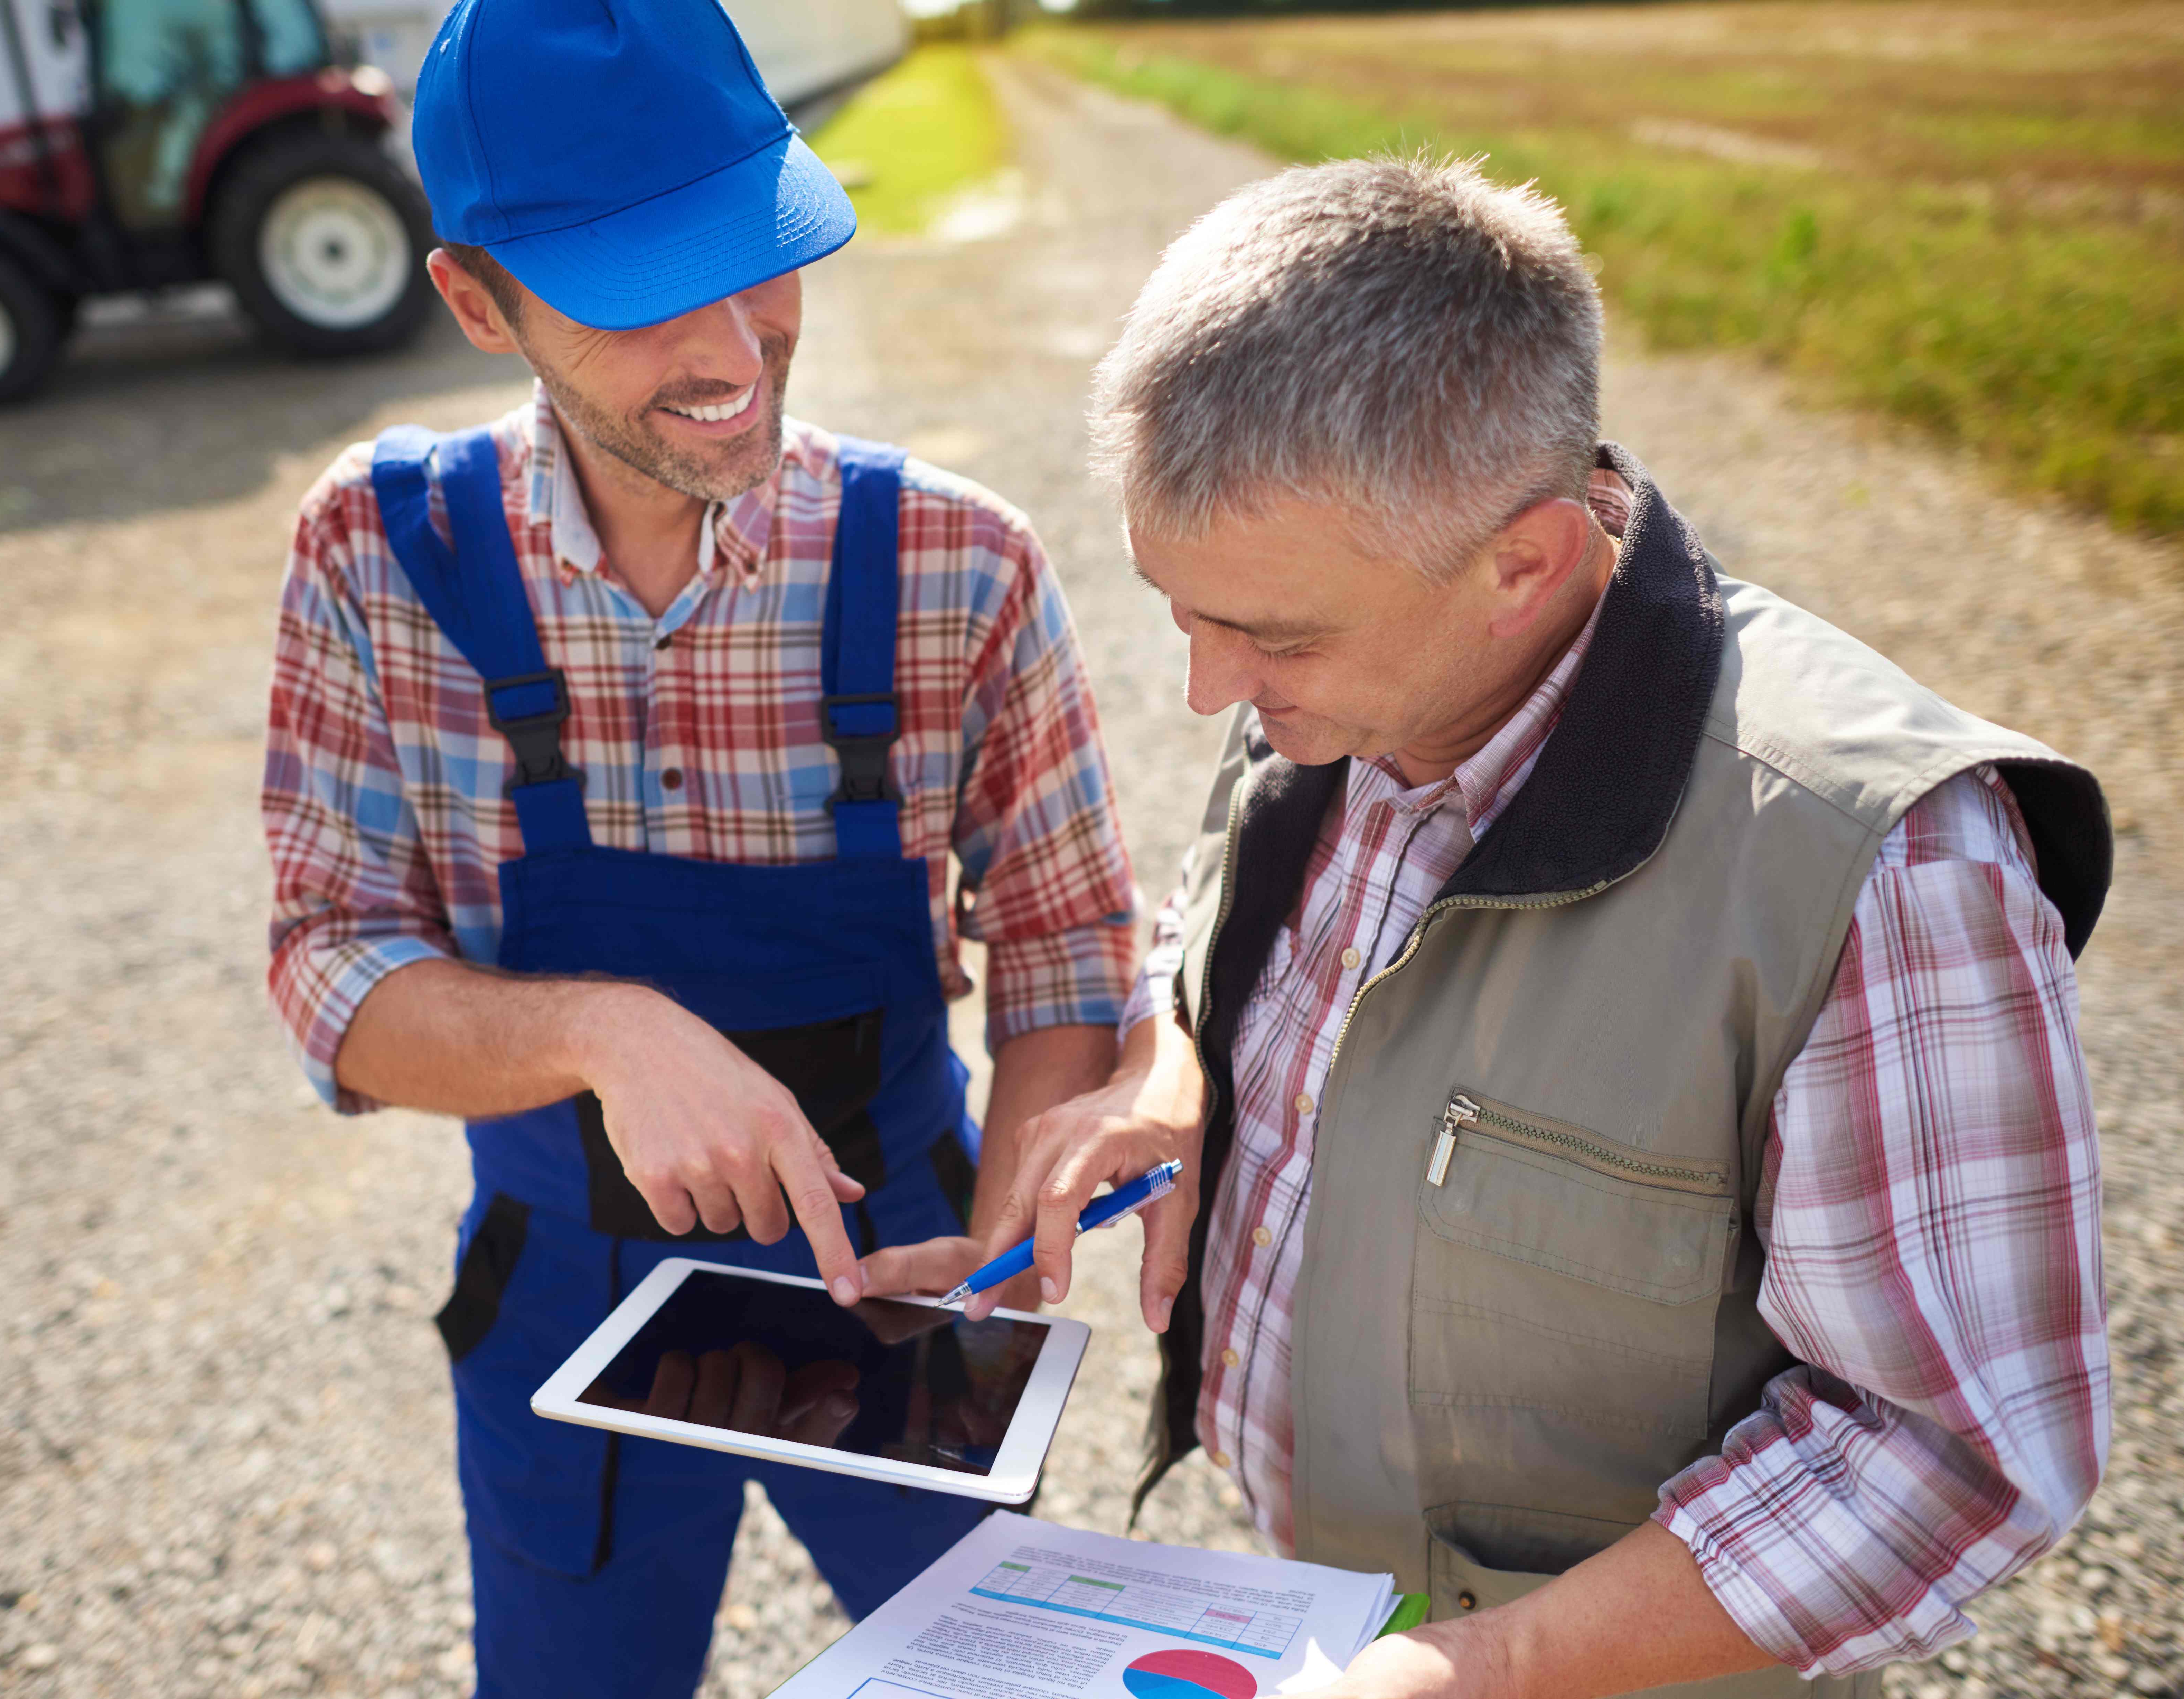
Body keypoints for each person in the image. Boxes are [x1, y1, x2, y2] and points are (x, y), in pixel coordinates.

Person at [863, 156, 2113, 1697]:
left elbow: (1949, 1454)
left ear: (1519, 561)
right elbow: (1233, 915)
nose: (1204, 691)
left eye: (1264, 634)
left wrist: (1477, 1665)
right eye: (1176, 612)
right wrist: (1177, 1058)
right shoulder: (1350, 669)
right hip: (1325, 1610)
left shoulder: (1881, 865)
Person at [257, 2, 1137, 1693]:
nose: (738, 341)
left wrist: (1014, 1248)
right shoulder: (376, 553)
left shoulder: (958, 563)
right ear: (472, 299)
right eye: (639, 284)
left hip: (906, 1265)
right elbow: (325, 970)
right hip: (557, 1300)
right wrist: (598, 1032)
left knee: (1001, 1675)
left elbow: (1065, 953)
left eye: (756, 248)